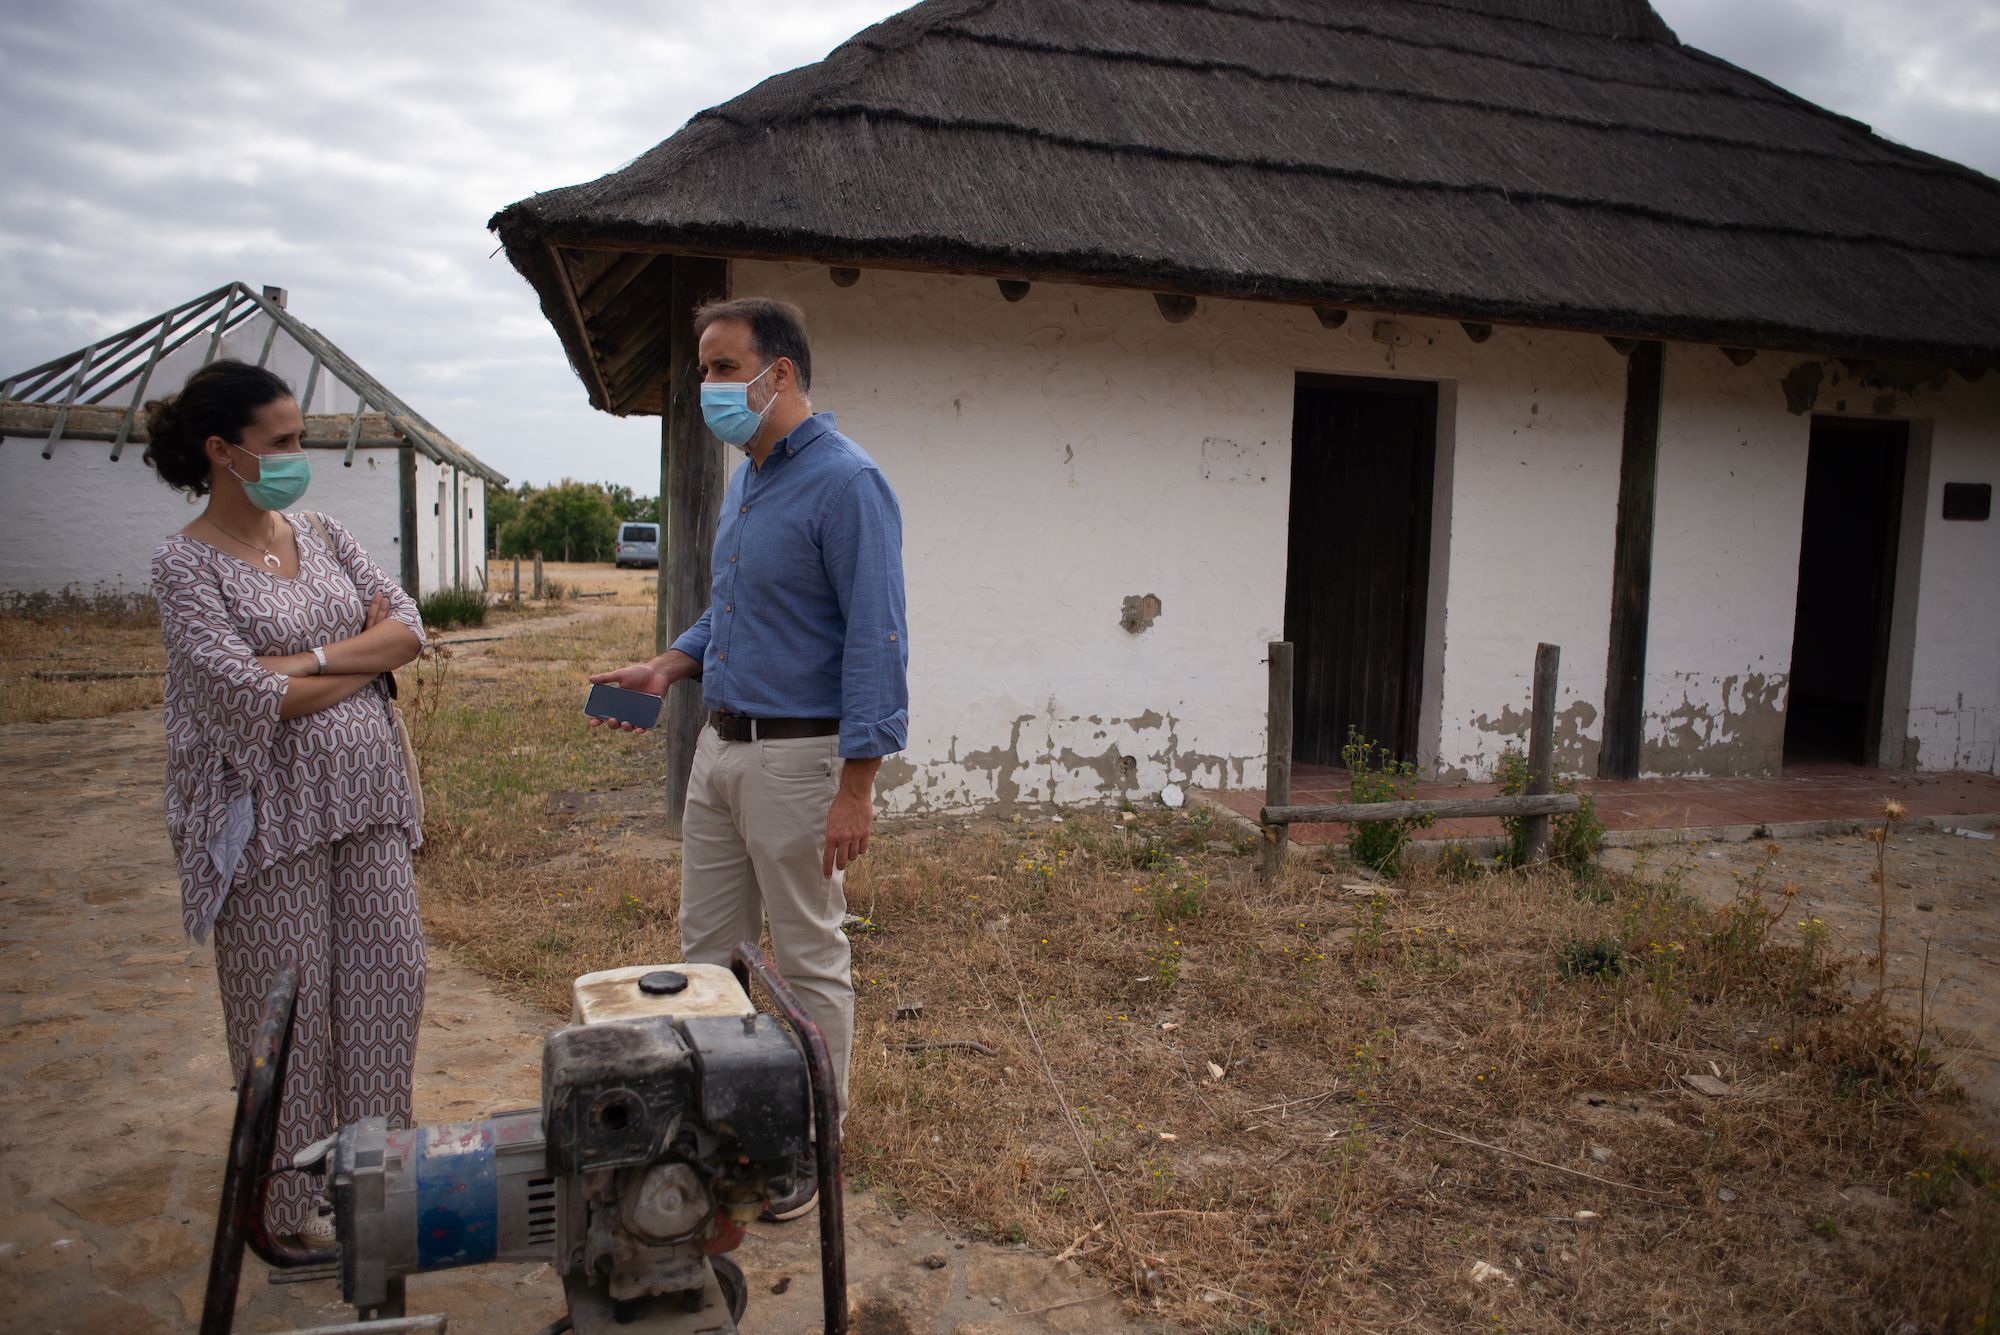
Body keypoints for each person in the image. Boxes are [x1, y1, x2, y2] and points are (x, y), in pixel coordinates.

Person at [589, 297, 908, 1221]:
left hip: (801, 760)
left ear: (780, 374)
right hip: (719, 747)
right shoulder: (750, 478)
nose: (708, 387)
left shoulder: (848, 483)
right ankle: (722, 1128)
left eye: (724, 368)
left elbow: (877, 640)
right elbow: (730, 612)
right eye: (703, 368)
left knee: (807, 960)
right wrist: (666, 664)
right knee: (705, 953)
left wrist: (857, 784)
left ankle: (812, 1144)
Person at [145, 359, 428, 1247]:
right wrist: (355, 652)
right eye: (285, 442)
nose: (301, 455)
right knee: (288, 1020)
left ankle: (372, 1188)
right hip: (269, 824)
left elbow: (409, 630)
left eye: (301, 437)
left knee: (389, 990)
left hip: (368, 801)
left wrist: (303, 663)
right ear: (223, 452)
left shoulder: (326, 531)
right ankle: (286, 1209)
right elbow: (242, 697)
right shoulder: (187, 566)